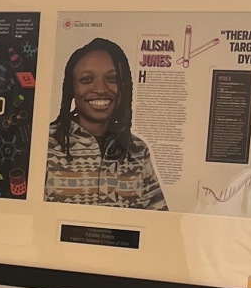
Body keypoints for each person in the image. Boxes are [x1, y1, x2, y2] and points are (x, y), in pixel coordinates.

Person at [42, 38, 167, 210]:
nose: (101, 89)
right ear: (72, 87)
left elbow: (158, 220)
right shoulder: (45, 145)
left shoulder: (137, 150)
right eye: (86, 79)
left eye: (112, 79)